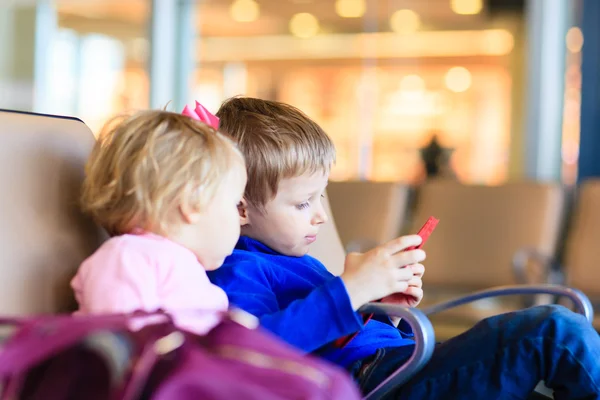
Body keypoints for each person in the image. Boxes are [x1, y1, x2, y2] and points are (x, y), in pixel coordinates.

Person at [206, 96, 600, 399]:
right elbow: (253, 349)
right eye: (302, 203)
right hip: (381, 380)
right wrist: (353, 288)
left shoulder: (298, 261)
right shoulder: (238, 268)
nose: (320, 216)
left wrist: (383, 309)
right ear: (241, 207)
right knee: (552, 331)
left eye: (321, 196)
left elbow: (340, 336)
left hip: (403, 361)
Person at [71, 108, 247, 335]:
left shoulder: (184, 267)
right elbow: (125, 341)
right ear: (192, 203)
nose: (240, 220)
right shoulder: (127, 257)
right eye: (235, 204)